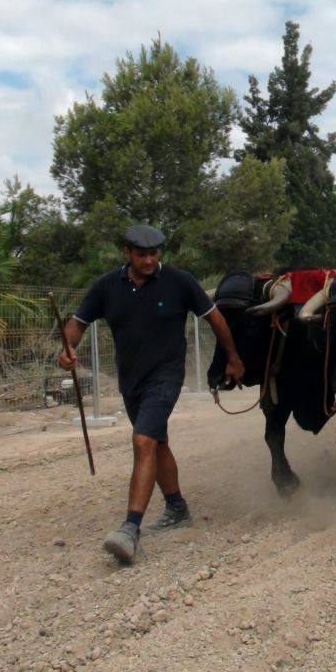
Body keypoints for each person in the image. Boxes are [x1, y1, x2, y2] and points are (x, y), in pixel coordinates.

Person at [58, 225, 246, 564]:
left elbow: (215, 318)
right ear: (127, 253)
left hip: (167, 374)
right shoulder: (106, 287)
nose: (148, 260)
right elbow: (77, 324)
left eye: (154, 254)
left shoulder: (179, 281)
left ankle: (130, 529)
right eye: (141, 254)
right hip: (132, 381)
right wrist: (67, 347)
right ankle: (177, 508)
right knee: (156, 442)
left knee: (143, 440)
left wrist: (232, 357)